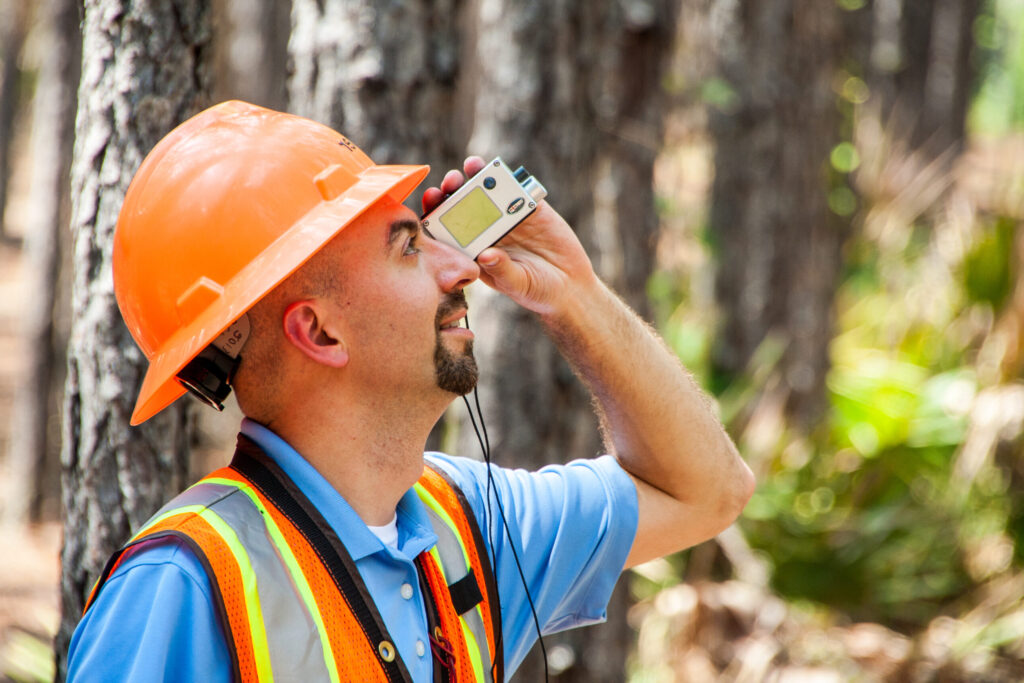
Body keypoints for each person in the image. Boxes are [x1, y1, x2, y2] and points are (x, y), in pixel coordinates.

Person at [66, 101, 754, 682]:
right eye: (408, 247)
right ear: (319, 331)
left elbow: (709, 489)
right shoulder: (181, 587)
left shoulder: (472, 523)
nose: (461, 266)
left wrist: (576, 295)